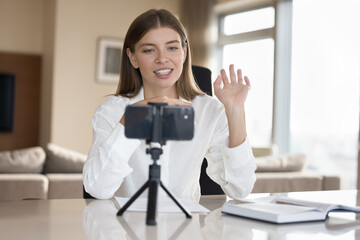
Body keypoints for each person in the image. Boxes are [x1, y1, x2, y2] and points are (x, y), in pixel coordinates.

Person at [83, 9, 256, 202]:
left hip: (186, 226)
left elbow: (240, 189)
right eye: (149, 50)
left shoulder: (209, 111)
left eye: (172, 48)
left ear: (184, 52)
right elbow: (97, 189)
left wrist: (235, 111)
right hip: (126, 227)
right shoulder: (113, 110)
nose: (162, 59)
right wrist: (133, 120)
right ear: (132, 57)